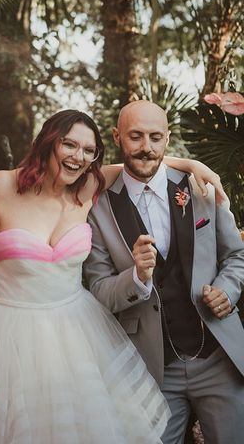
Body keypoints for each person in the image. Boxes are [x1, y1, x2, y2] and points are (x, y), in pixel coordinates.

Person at [0, 109, 221, 444]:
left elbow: (142, 163)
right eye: (70, 145)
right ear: (48, 142)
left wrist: (192, 165)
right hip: (8, 333)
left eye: (88, 150)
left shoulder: (88, 188)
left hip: (76, 332)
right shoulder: (1, 186)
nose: (78, 157)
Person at [84, 100, 244, 444]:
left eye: (156, 137)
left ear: (167, 139)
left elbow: (236, 255)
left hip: (217, 357)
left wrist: (226, 291)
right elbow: (98, 290)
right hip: (152, 369)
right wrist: (137, 278)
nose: (147, 147)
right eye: (136, 136)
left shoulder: (200, 188)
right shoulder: (97, 207)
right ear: (117, 137)